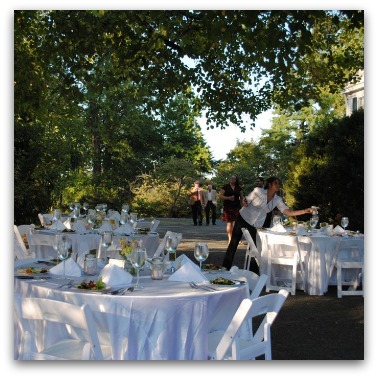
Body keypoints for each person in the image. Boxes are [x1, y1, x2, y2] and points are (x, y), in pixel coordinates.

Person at [222, 176, 313, 273]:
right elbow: (246, 200)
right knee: (233, 243)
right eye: (276, 183)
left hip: (255, 225)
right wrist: (244, 202)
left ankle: (253, 273)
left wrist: (305, 211)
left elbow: (288, 212)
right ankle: (225, 268)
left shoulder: (277, 199)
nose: (278, 185)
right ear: (270, 185)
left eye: (279, 183)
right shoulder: (258, 191)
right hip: (243, 218)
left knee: (255, 248)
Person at [219, 174, 244, 243]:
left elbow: (242, 198)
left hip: (237, 206)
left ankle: (236, 238)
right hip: (228, 207)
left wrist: (243, 206)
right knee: (229, 223)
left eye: (234, 179)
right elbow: (220, 196)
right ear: (229, 179)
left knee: (237, 223)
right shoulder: (225, 187)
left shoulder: (239, 188)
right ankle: (230, 239)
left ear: (236, 180)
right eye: (231, 178)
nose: (233, 180)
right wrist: (228, 198)